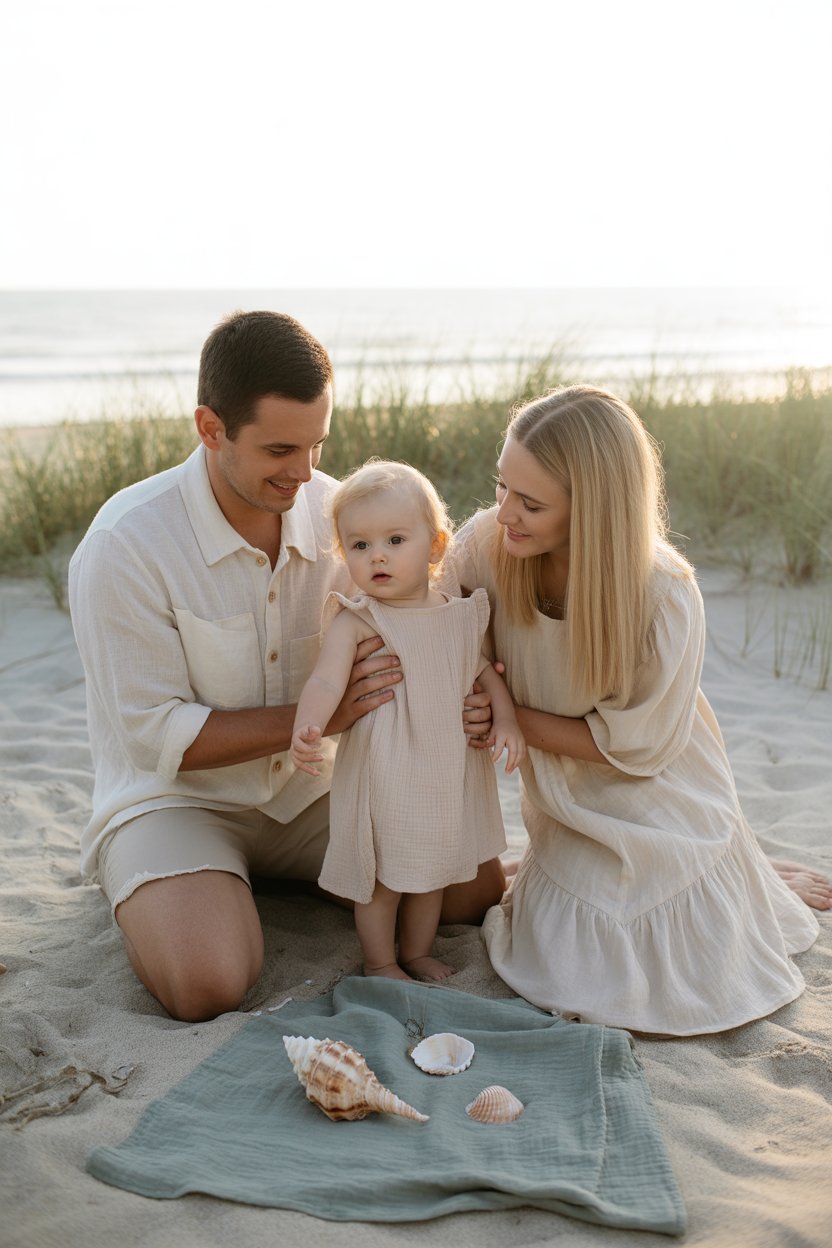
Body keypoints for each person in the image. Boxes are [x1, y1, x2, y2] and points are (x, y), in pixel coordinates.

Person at [67, 311, 504, 1023]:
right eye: (279, 449)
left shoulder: (343, 517)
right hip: (179, 798)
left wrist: (474, 699)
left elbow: (425, 622)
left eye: (316, 445)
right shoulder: (126, 544)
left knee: (473, 890)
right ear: (211, 429)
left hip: (313, 793)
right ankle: (176, 887)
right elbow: (154, 737)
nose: (303, 474)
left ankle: (279, 882)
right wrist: (324, 717)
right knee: (205, 983)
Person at [441, 384, 824, 1035]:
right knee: (568, 956)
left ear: (592, 511)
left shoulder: (665, 594)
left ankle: (734, 864)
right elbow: (438, 625)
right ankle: (738, 871)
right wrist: (481, 692)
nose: (503, 513)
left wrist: (510, 719)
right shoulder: (488, 546)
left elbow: (637, 749)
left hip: (650, 785)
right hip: (562, 796)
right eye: (501, 486)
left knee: (658, 962)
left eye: (530, 503)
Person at [291, 461, 524, 981]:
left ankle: (417, 952)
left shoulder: (457, 615)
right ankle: (380, 961)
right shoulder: (358, 619)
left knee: (432, 873)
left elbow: (485, 675)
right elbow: (327, 682)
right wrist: (307, 725)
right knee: (383, 876)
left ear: (436, 547)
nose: (377, 555)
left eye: (396, 540)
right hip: (384, 774)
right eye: (359, 545)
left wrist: (505, 721)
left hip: (442, 775)